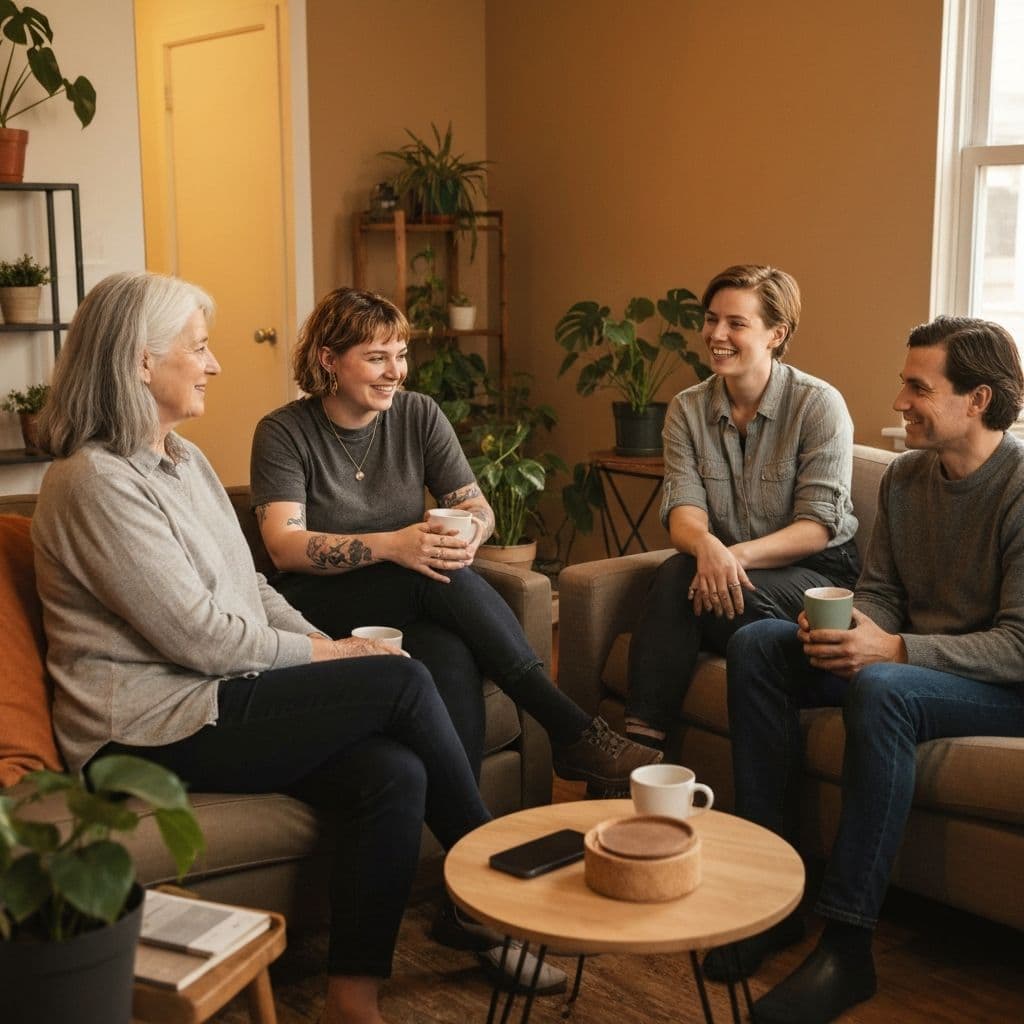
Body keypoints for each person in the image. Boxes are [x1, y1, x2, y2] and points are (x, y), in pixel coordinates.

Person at [30, 271, 526, 1024]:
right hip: (142, 729)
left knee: (391, 773)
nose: (214, 363)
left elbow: (253, 591)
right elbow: (197, 635)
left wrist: (329, 648)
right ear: (139, 362)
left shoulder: (186, 462)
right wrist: (342, 664)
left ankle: (353, 1001)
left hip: (216, 697)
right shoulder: (93, 482)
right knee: (403, 681)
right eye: (198, 348)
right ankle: (500, 881)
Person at [717, 316, 1024, 1024]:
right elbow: (884, 589)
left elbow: (1017, 644)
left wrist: (894, 651)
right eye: (903, 384)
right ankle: (776, 901)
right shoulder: (908, 478)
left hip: (1003, 689)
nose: (899, 403)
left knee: (884, 687)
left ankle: (848, 947)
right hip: (912, 665)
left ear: (978, 400)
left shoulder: (1016, 491)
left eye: (918, 387)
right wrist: (851, 629)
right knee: (758, 645)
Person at [248, 286, 661, 802]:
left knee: (449, 654)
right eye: (376, 358)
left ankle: (458, 831)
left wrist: (469, 532)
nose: (395, 371)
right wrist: (394, 545)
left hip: (411, 591)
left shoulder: (418, 414)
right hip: (314, 604)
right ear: (328, 360)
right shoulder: (284, 432)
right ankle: (571, 729)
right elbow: (285, 547)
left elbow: (476, 506)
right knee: (420, 572)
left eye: (400, 355)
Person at [623, 265, 861, 752]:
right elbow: (684, 509)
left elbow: (815, 528)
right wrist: (708, 546)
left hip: (815, 570)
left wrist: (728, 558)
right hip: (732, 564)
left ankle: (637, 753)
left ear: (777, 333)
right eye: (711, 320)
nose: (717, 335)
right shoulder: (688, 408)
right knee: (675, 574)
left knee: (678, 586)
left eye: (736, 323)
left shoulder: (818, 405)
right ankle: (638, 752)